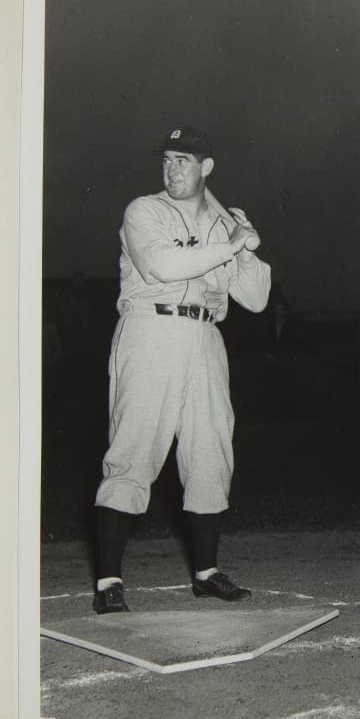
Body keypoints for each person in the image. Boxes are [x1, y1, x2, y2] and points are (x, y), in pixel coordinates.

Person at [91, 126, 271, 614]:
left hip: (205, 337)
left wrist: (247, 247)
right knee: (134, 447)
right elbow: (163, 267)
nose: (172, 169)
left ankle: (207, 574)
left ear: (206, 166)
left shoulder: (223, 221)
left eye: (184, 160)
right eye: (167, 159)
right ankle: (108, 579)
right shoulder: (143, 210)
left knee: (211, 450)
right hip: (151, 330)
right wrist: (230, 248)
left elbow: (255, 300)